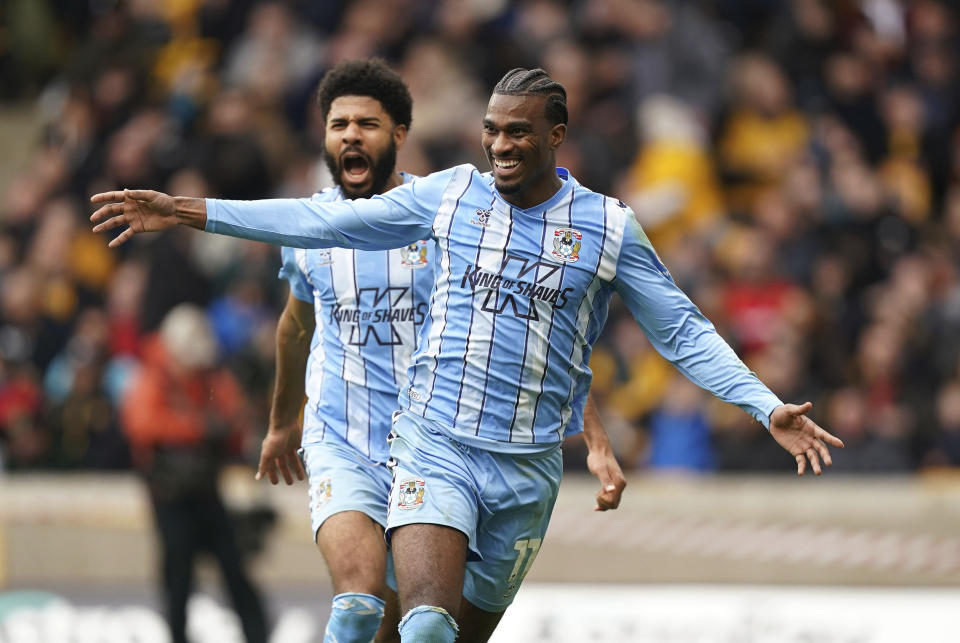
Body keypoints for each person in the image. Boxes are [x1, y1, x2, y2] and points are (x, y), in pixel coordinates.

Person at [91, 67, 842, 642]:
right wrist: (186, 211)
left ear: (556, 135)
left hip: (525, 470)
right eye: (492, 130)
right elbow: (316, 224)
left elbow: (679, 329)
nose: (501, 145)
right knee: (421, 624)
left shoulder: (609, 230)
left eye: (519, 132)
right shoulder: (451, 197)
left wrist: (762, 401)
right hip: (435, 448)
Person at [242, 58, 625, 642]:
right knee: (357, 604)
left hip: (427, 447)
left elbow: (530, 339)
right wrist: (279, 425)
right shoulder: (308, 230)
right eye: (338, 124)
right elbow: (296, 328)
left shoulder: (445, 217)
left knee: (406, 628)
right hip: (340, 439)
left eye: (367, 124)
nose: (350, 135)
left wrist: (592, 434)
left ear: (398, 135)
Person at [122, 304, 268, 643]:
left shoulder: (210, 376)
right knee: (178, 580)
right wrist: (198, 428)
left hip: (206, 492)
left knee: (236, 573)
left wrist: (233, 429)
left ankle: (259, 636)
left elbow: (235, 417)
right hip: (170, 498)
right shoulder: (152, 376)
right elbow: (142, 425)